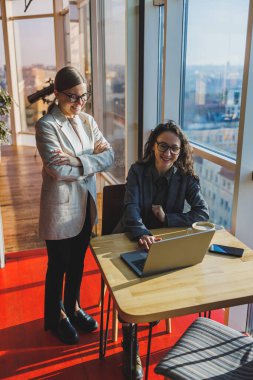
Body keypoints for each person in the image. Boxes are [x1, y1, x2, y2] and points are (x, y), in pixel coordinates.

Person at [114, 120, 209, 379]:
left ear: (181, 151)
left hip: (164, 241)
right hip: (132, 236)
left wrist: (168, 219)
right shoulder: (137, 170)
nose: (168, 153)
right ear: (153, 145)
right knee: (130, 287)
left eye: (174, 149)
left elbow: (202, 213)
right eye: (163, 146)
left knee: (168, 279)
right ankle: (130, 345)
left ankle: (151, 315)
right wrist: (142, 231)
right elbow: (130, 206)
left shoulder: (186, 177)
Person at [35, 66, 114, 345]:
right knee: (58, 264)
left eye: (84, 97)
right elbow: (57, 169)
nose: (79, 103)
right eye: (73, 97)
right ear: (57, 94)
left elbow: (109, 156)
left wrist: (77, 161)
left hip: (86, 204)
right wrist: (88, 164)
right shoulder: (46, 126)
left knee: (78, 262)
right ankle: (57, 315)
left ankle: (74, 306)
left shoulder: (88, 122)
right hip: (60, 208)